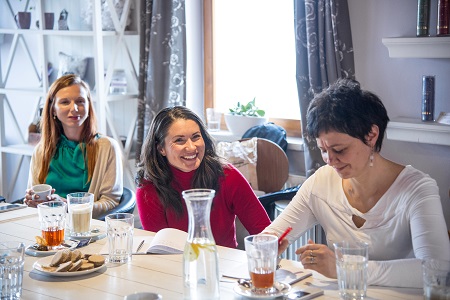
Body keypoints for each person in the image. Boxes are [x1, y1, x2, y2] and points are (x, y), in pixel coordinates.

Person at [266, 78, 450, 288]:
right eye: (323, 150)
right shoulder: (321, 182)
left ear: (371, 135)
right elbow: (272, 235)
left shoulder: (417, 189)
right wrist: (267, 244)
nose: (329, 160)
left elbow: (438, 269)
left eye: (339, 150)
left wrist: (346, 267)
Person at [135, 106, 271, 248]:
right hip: (173, 265)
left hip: (225, 264)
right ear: (161, 148)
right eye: (179, 140)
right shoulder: (148, 187)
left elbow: (264, 232)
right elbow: (159, 250)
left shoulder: (227, 176)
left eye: (196, 137)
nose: (192, 147)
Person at [24, 74, 123, 218]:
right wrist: (32, 201)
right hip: (48, 226)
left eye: (80, 101)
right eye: (65, 102)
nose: (74, 108)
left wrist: (68, 207)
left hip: (88, 230)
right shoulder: (41, 150)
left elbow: (111, 202)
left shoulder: (107, 147)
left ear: (89, 106)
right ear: (53, 109)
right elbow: (33, 196)